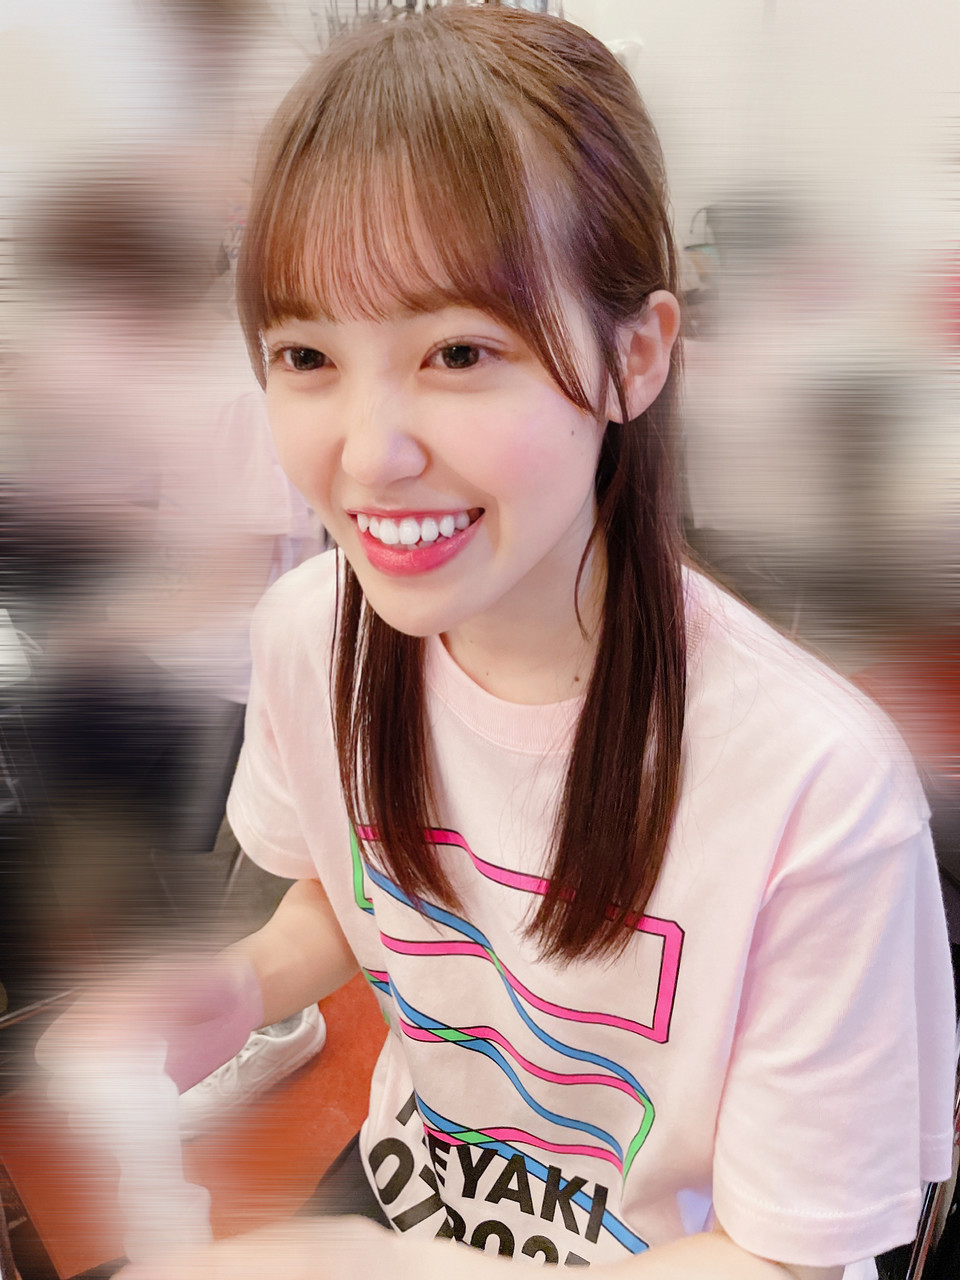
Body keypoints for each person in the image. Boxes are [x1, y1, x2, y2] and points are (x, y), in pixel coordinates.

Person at [42, 7, 953, 1280]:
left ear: (636, 355)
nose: (369, 454)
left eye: (459, 351)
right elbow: (360, 893)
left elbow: (787, 1257)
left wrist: (372, 1270)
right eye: (307, 354)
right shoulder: (313, 634)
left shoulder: (814, 783)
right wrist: (244, 981)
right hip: (410, 1190)